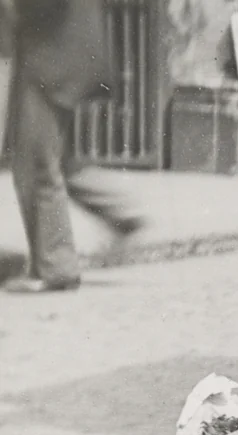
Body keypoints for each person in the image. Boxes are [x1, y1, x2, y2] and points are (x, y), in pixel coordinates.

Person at [3, 0, 143, 294]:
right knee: (54, 160)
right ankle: (116, 219)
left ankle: (56, 268)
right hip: (57, 51)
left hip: (52, 56)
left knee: (37, 161)